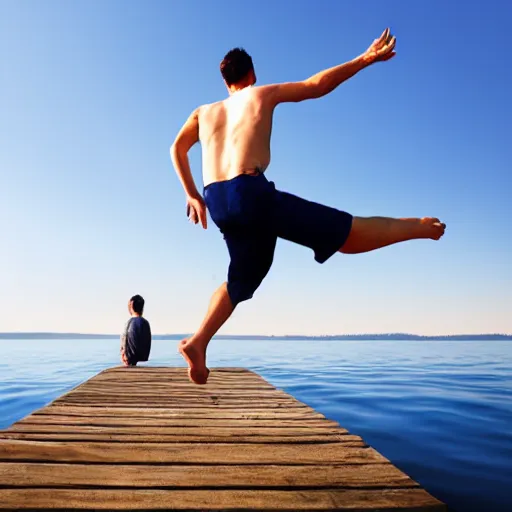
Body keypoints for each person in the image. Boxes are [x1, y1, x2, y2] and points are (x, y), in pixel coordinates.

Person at [170, 28, 446, 385]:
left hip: (217, 200)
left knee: (243, 278)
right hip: (249, 191)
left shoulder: (203, 112)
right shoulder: (261, 94)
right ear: (252, 75)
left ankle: (198, 342)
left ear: (225, 81)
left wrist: (192, 194)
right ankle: (418, 227)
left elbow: (177, 148)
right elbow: (316, 85)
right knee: (344, 233)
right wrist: (365, 59)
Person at [120, 294, 152, 366]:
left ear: (131, 305)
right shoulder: (145, 323)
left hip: (129, 359)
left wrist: (124, 354)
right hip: (141, 356)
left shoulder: (130, 323)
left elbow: (125, 339)